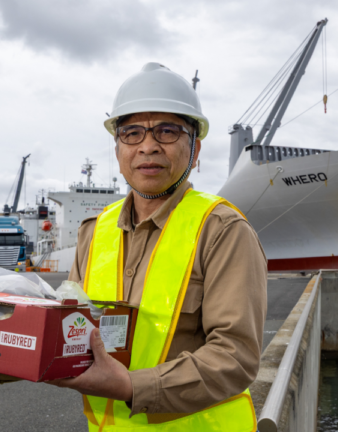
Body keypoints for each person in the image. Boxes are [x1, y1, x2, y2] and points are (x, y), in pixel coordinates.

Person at [48, 63, 268, 431]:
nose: (148, 146)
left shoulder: (222, 231)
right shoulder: (94, 232)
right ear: (118, 150)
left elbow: (236, 356)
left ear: (195, 149)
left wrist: (131, 386)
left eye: (167, 131)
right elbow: (65, 332)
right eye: (131, 133)